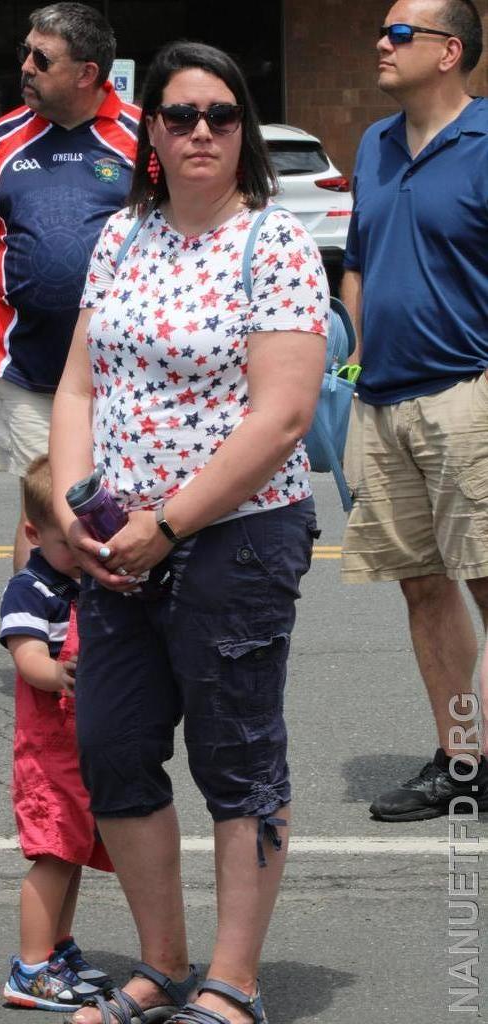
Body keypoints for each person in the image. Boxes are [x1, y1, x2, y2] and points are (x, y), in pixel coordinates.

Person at [49, 40, 328, 1024]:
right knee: (113, 744)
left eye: (220, 113)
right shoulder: (122, 236)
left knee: (235, 752)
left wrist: (164, 524)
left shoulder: (274, 245)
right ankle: (162, 965)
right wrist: (83, 512)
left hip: (235, 536)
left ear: (241, 129)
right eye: (180, 115)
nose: (201, 129)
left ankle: (233, 980)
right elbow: (79, 382)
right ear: (151, 135)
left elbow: (282, 416)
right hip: (116, 542)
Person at [340, 0, 488, 821]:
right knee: (423, 589)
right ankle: (460, 763)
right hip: (382, 399)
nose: (380, 43)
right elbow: (356, 261)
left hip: (469, 393)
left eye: (398, 33)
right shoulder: (372, 143)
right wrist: (354, 352)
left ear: (448, 51)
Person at [0, 2, 138, 571]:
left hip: (125, 370)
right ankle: (37, 637)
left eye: (42, 57)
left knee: (123, 509)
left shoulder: (144, 135)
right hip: (27, 362)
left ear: (87, 72)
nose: (26, 67)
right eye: (24, 53)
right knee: (45, 514)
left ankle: (111, 647)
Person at [0, 455, 113, 1010]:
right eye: (69, 544)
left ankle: (57, 949)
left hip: (82, 745)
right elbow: (27, 659)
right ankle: (30, 968)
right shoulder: (31, 589)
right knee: (52, 854)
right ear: (32, 534)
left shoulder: (83, 580)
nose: (82, 554)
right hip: (47, 751)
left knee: (71, 853)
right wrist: (60, 675)